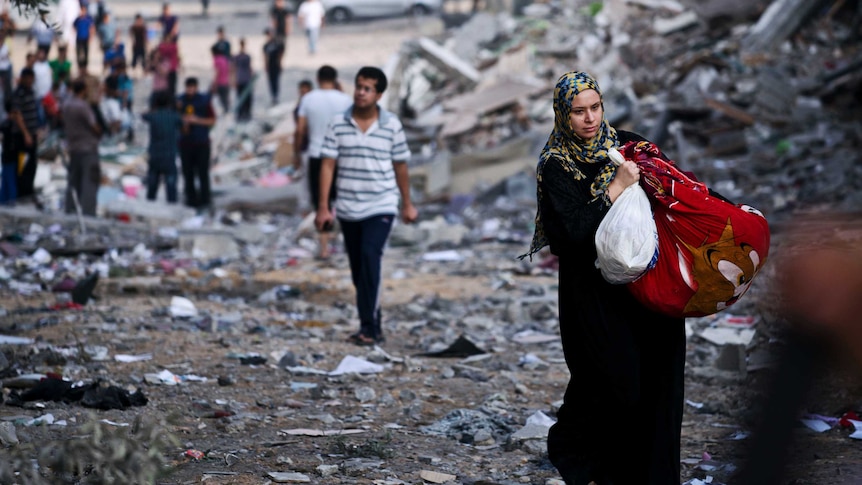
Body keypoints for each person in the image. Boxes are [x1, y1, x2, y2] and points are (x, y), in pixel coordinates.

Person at [521, 71, 685, 484]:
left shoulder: (628, 145)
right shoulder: (556, 165)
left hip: (646, 286)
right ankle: (586, 462)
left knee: (660, 382)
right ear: (563, 115)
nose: (590, 119)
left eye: (595, 108)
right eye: (578, 112)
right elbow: (570, 234)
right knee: (612, 384)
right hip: (592, 294)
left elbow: (673, 190)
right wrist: (614, 188)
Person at [315, 66, 418, 346]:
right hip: (348, 206)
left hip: (381, 204)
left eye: (367, 88)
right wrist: (323, 207)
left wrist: (407, 204)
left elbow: (401, 166)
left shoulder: (391, 125)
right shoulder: (338, 123)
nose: (360, 92)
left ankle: (369, 328)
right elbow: (327, 165)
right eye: (358, 86)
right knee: (359, 269)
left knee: (370, 256)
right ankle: (373, 319)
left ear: (379, 95)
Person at [295, 66, 350, 259]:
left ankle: (325, 246)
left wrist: (296, 152)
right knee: (343, 199)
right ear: (335, 79)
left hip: (317, 154)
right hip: (340, 155)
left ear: (318, 79)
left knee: (321, 203)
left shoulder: (309, 99)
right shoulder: (345, 100)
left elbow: (301, 129)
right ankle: (348, 241)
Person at [62, 79, 101, 216]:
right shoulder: (83, 106)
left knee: (73, 180)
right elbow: (93, 125)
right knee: (89, 181)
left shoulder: (66, 104)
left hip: (73, 147)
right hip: (87, 148)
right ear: (83, 90)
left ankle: (70, 209)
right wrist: (99, 132)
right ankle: (88, 213)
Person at [177, 77, 216, 211]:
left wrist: (197, 120)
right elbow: (176, 121)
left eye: (192, 87)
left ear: (196, 87)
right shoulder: (180, 101)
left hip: (201, 143)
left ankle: (205, 200)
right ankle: (191, 200)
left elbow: (212, 121)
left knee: (203, 173)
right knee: (188, 174)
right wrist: (184, 123)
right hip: (185, 144)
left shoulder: (204, 101)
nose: (190, 90)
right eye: (188, 88)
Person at [9, 67, 42, 205]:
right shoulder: (19, 93)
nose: (30, 81)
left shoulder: (31, 91)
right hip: (23, 137)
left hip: (32, 135)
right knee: (23, 166)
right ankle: (22, 194)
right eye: (28, 78)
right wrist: (26, 134)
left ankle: (29, 191)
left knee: (32, 165)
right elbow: (17, 114)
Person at [141, 90, 181, 203]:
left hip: (155, 155)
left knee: (152, 186)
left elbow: (143, 115)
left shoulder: (153, 116)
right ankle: (172, 210)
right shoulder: (174, 116)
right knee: (171, 186)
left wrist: (154, 107)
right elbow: (184, 126)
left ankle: (149, 207)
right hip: (169, 155)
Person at [210, 26, 231, 114]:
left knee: (221, 97)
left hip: (221, 80)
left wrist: (214, 82)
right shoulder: (217, 44)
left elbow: (216, 72)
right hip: (225, 77)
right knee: (225, 97)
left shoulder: (226, 44)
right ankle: (226, 111)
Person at [233, 38, 253, 121]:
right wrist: (233, 79)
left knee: (248, 98)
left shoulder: (247, 56)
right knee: (240, 97)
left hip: (245, 79)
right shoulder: (237, 57)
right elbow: (233, 68)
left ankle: (247, 113)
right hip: (240, 78)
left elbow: (250, 68)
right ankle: (241, 113)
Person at [262, 28, 283, 105]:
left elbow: (280, 53)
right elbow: (265, 56)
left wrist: (280, 63)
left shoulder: (276, 44)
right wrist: (265, 65)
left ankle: (276, 96)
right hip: (270, 66)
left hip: (276, 65)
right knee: (271, 82)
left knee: (276, 81)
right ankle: (273, 96)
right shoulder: (266, 45)